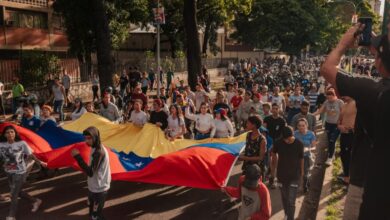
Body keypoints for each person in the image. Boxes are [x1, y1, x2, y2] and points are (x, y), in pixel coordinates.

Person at [320, 24, 390, 219]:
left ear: (377, 63)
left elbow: (327, 69)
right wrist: (380, 48)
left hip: (367, 185)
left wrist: (343, 43)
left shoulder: (372, 91)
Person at [0, 125, 47, 220]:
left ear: (15, 133)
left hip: (20, 171)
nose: (10, 134)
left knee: (13, 194)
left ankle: (11, 216)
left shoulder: (22, 143)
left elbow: (31, 155)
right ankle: (35, 201)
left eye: (12, 132)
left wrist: (40, 162)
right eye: (7, 132)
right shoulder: (1, 145)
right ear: (4, 135)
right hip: (8, 172)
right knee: (18, 192)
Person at [71, 126, 111, 220]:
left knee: (95, 215)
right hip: (93, 186)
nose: (86, 141)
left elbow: (91, 172)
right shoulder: (94, 147)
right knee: (92, 212)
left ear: (95, 137)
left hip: (100, 188)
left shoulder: (99, 152)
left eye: (89, 138)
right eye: (85, 138)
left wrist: (77, 157)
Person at [271, 126, 304, 220]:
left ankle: (290, 218)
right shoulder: (278, 143)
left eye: (289, 139)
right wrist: (273, 173)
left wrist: (302, 173)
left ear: (293, 135)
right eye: (285, 139)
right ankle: (287, 214)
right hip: (281, 176)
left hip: (295, 176)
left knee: (291, 201)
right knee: (285, 198)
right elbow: (273, 156)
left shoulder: (299, 144)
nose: (287, 141)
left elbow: (301, 159)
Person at [314, 89, 344, 165]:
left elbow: (344, 112)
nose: (329, 100)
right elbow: (320, 111)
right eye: (328, 98)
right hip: (328, 124)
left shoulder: (339, 102)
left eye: (331, 98)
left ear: (334, 96)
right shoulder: (326, 102)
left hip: (336, 124)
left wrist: (341, 122)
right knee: (330, 140)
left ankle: (330, 158)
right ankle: (332, 153)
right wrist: (311, 114)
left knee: (332, 139)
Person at [294, 118, 317, 193]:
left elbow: (314, 147)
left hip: (306, 156)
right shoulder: (294, 134)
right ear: (297, 126)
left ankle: (305, 185)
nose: (301, 127)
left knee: (305, 173)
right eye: (299, 125)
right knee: (297, 172)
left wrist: (308, 149)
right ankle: (297, 185)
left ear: (306, 126)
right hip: (296, 157)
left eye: (303, 125)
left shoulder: (311, 134)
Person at [337, 96, 356, 185]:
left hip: (352, 134)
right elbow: (339, 120)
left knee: (351, 156)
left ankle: (350, 177)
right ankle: (346, 176)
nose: (343, 96)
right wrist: (339, 126)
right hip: (344, 134)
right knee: (344, 155)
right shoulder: (344, 105)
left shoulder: (357, 104)